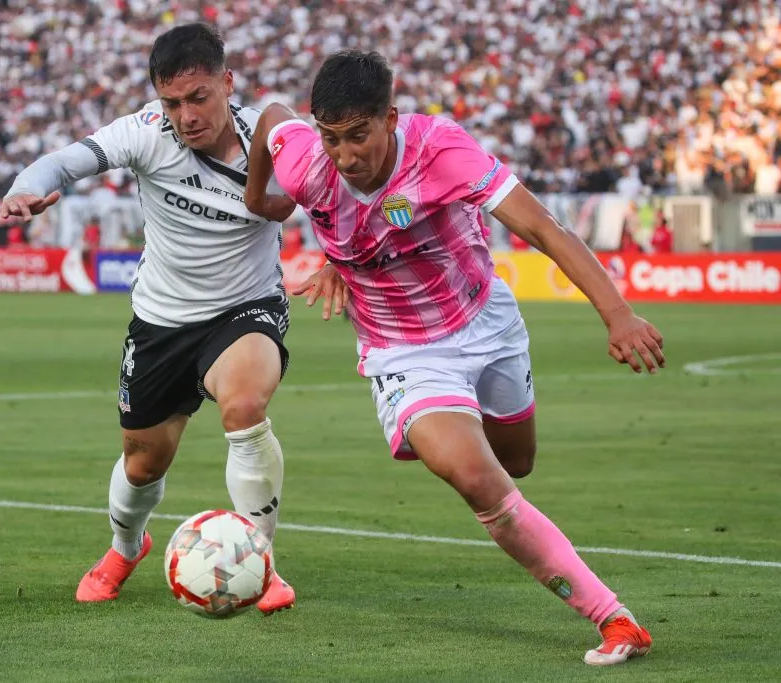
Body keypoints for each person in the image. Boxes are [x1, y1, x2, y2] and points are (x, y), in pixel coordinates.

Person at [245, 51, 665, 664]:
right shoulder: (307, 160)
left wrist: (618, 313)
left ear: (390, 119)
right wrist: (263, 199)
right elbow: (269, 119)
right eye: (332, 138)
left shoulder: (440, 150)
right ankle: (614, 617)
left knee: (515, 463)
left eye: (359, 136)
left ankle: (477, 449)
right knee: (475, 478)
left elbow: (544, 227)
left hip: (485, 321)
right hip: (404, 350)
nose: (346, 155)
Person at [1, 23, 296, 613]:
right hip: (161, 320)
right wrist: (24, 188)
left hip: (247, 307)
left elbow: (336, 191)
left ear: (227, 83)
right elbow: (63, 162)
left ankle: (258, 559)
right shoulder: (145, 132)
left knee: (244, 406)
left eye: (198, 98)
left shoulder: (275, 136)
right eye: (172, 102)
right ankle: (125, 546)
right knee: (142, 461)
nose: (185, 115)